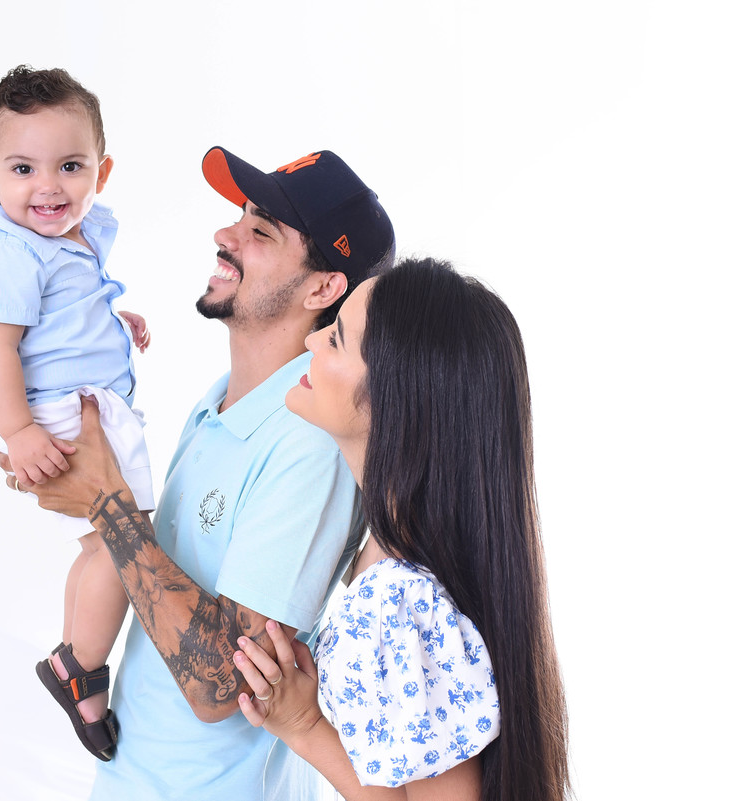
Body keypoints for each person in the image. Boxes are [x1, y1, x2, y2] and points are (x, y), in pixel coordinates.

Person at [0, 147, 396, 799]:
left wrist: (108, 503)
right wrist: (63, 470)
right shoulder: (221, 402)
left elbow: (222, 686)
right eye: (238, 216)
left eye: (260, 231)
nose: (225, 234)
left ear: (324, 288)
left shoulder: (310, 444)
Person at [231, 258, 571, 801]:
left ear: (393, 402)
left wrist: (304, 726)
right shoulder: (386, 548)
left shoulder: (400, 597)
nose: (312, 340)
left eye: (336, 339)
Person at [0, 65, 154, 761]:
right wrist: (18, 431)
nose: (49, 186)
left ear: (102, 170)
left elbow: (63, 317)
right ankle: (81, 669)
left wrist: (113, 320)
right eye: (23, 168)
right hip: (58, 416)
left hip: (85, 404)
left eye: (70, 166)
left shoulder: (70, 235)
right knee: (127, 548)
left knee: (102, 546)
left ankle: (73, 658)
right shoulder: (8, 252)